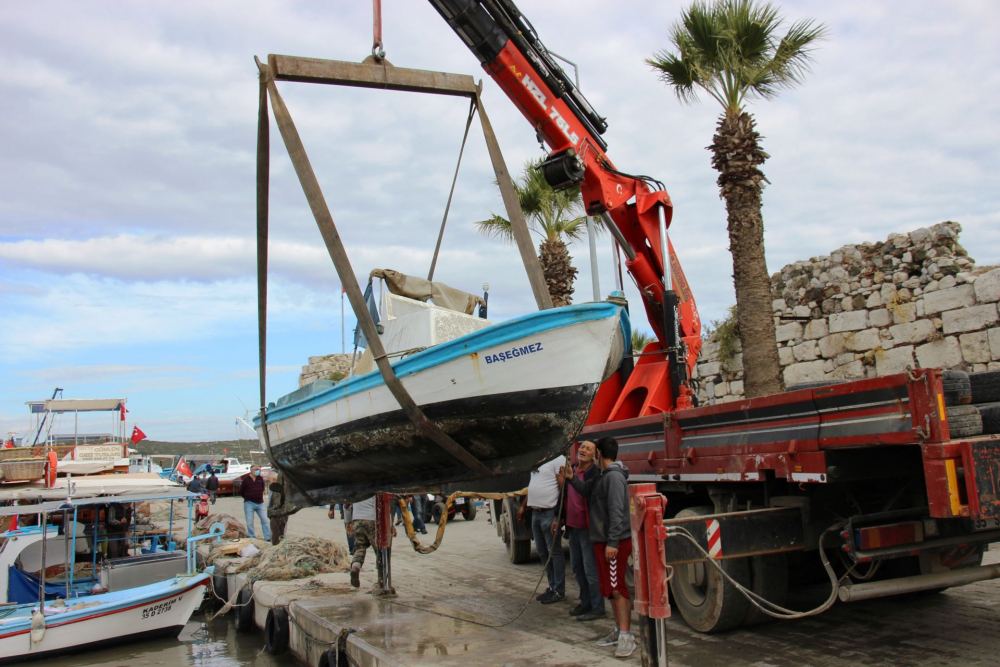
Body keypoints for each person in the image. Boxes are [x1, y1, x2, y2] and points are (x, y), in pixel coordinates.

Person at [564, 436, 634, 658]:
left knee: (617, 588)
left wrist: (613, 542)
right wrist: (571, 478)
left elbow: (616, 511)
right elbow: (585, 490)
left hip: (613, 543)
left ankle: (626, 636)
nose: (588, 452)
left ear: (599, 454)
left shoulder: (613, 477)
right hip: (602, 541)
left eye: (593, 450)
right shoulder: (602, 476)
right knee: (609, 589)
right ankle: (617, 630)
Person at [559, 440, 605, 622]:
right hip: (572, 527)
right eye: (582, 447)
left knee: (590, 570)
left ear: (595, 455)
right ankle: (585, 602)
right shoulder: (571, 468)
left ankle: (598, 607)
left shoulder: (595, 473)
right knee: (577, 568)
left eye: (588, 448)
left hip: (587, 528)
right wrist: (559, 517)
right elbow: (563, 495)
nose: (583, 450)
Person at [519, 453, 566, 604]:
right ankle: (552, 587)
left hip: (549, 513)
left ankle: (558, 590)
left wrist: (559, 516)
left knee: (554, 552)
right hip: (536, 514)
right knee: (543, 552)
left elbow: (563, 488)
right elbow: (533, 487)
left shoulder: (558, 459)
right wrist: (523, 506)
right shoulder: (536, 460)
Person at [345, 496, 394, 588]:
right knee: (380, 551)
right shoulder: (374, 486)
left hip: (357, 520)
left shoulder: (354, 489)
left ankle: (355, 567)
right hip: (372, 520)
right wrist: (391, 524)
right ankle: (382, 580)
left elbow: (346, 505)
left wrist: (348, 522)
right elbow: (385, 505)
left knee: (359, 547)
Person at [238, 464, 271, 541]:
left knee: (265, 520)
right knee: (250, 522)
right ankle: (252, 537)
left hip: (260, 503)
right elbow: (241, 491)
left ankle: (267, 537)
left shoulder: (260, 479)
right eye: (256, 469)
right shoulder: (246, 480)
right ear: (251, 470)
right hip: (249, 503)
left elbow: (262, 488)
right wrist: (247, 497)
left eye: (258, 470)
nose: (257, 471)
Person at [267, 476, 287, 545]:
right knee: (275, 533)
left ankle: (278, 545)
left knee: (280, 533)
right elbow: (270, 504)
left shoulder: (283, 490)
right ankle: (276, 545)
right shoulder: (273, 492)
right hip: (274, 514)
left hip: (281, 514)